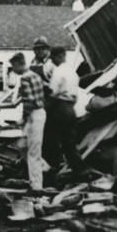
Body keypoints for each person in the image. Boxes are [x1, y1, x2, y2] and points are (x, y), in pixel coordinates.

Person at [0, 53, 46, 192]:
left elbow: (29, 101)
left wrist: (24, 119)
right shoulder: (35, 75)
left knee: (33, 153)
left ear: (19, 64)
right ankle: (45, 169)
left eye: (13, 67)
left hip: (34, 115)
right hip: (39, 113)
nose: (13, 70)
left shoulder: (24, 78)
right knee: (22, 145)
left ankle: (36, 186)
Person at [45, 45, 83, 176]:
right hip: (71, 108)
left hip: (59, 107)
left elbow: (53, 92)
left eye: (53, 58)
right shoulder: (73, 72)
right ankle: (78, 170)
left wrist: (46, 109)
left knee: (51, 139)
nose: (52, 61)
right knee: (69, 142)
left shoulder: (58, 71)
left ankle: (53, 171)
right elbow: (76, 94)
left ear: (60, 56)